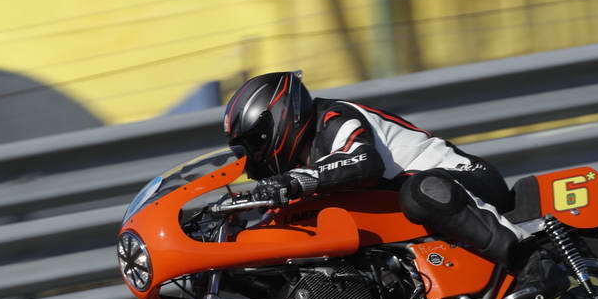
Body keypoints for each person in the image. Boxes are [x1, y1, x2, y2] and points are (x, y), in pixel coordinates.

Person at [222, 70, 534, 276]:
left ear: (279, 117)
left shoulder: (333, 117)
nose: (253, 157)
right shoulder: (299, 164)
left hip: (462, 182)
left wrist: (293, 181)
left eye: (255, 143)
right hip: (419, 214)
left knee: (419, 192)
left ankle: (531, 258)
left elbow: (364, 162)